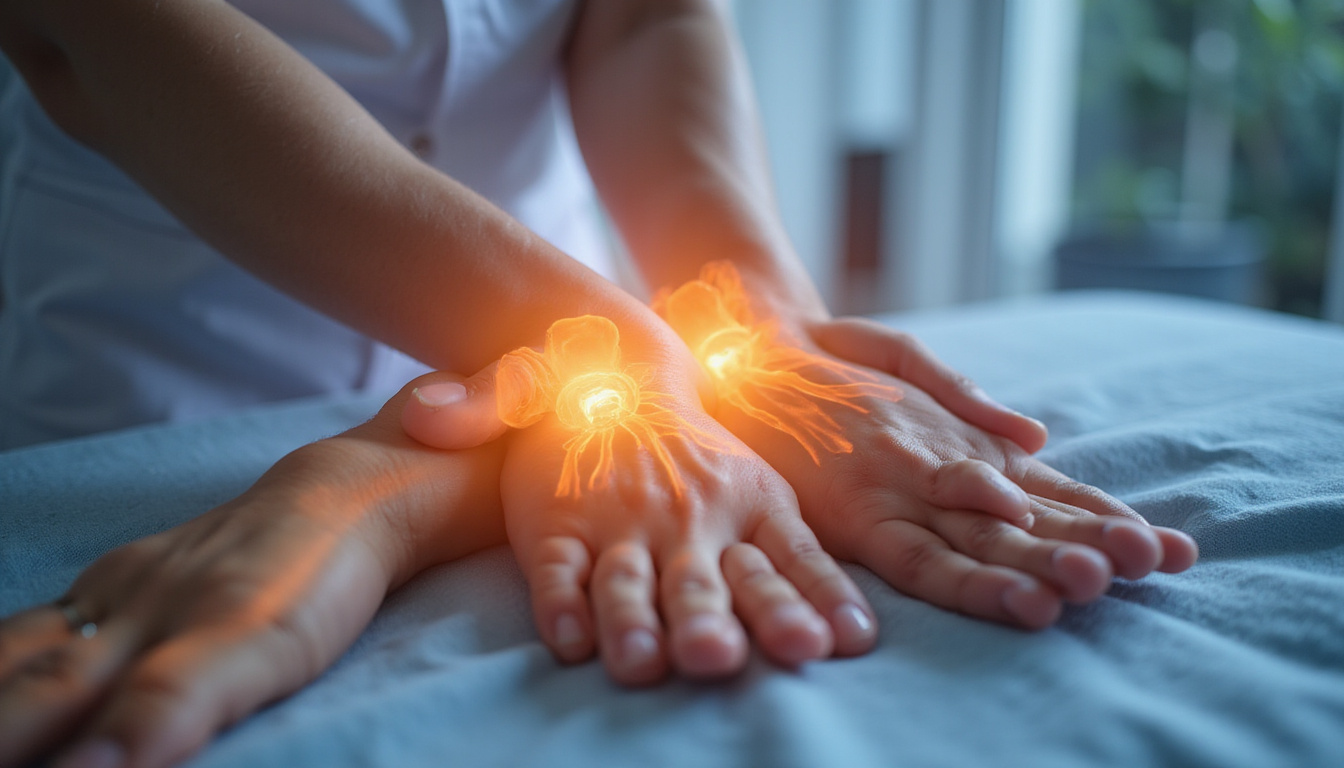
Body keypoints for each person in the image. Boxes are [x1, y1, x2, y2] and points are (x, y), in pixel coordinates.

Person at [0, 1, 1198, 766]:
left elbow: (643, 16)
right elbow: (96, 34)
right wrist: (618, 350)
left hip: (565, 323)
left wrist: (752, 326)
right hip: (164, 371)